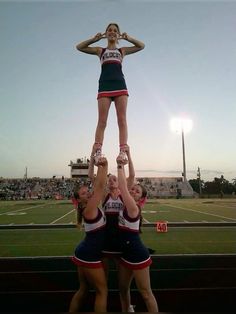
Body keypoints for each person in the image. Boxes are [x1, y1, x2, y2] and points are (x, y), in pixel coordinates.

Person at [76, 23, 145, 163]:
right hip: (104, 86)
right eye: (109, 30)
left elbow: (141, 46)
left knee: (122, 120)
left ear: (118, 34)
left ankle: (122, 152)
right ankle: (98, 152)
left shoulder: (122, 51)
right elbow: (79, 47)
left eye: (115, 30)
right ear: (106, 33)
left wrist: (128, 38)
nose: (112, 32)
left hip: (120, 86)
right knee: (102, 121)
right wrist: (94, 39)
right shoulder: (100, 50)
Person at [88, 144, 136, 312]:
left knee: (123, 283)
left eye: (114, 179)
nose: (111, 181)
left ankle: (127, 306)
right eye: (109, 180)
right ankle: (103, 304)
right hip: (106, 238)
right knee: (104, 279)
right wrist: (92, 155)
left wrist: (127, 156)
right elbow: (91, 176)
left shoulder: (124, 193)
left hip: (121, 238)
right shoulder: (104, 196)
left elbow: (132, 176)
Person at [116, 156, 159, 312]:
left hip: (137, 253)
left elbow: (122, 184)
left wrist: (120, 165)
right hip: (125, 253)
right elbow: (131, 177)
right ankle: (127, 310)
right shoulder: (125, 201)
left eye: (137, 191)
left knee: (146, 293)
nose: (133, 190)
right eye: (132, 189)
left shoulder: (133, 207)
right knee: (122, 288)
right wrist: (129, 154)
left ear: (141, 197)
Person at [69, 156, 108, 313]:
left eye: (87, 191)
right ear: (80, 200)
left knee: (83, 290)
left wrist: (94, 159)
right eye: (84, 193)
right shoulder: (89, 208)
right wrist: (105, 165)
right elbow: (99, 186)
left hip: (83, 252)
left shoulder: (88, 207)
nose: (88, 193)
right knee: (102, 291)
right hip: (89, 255)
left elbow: (97, 185)